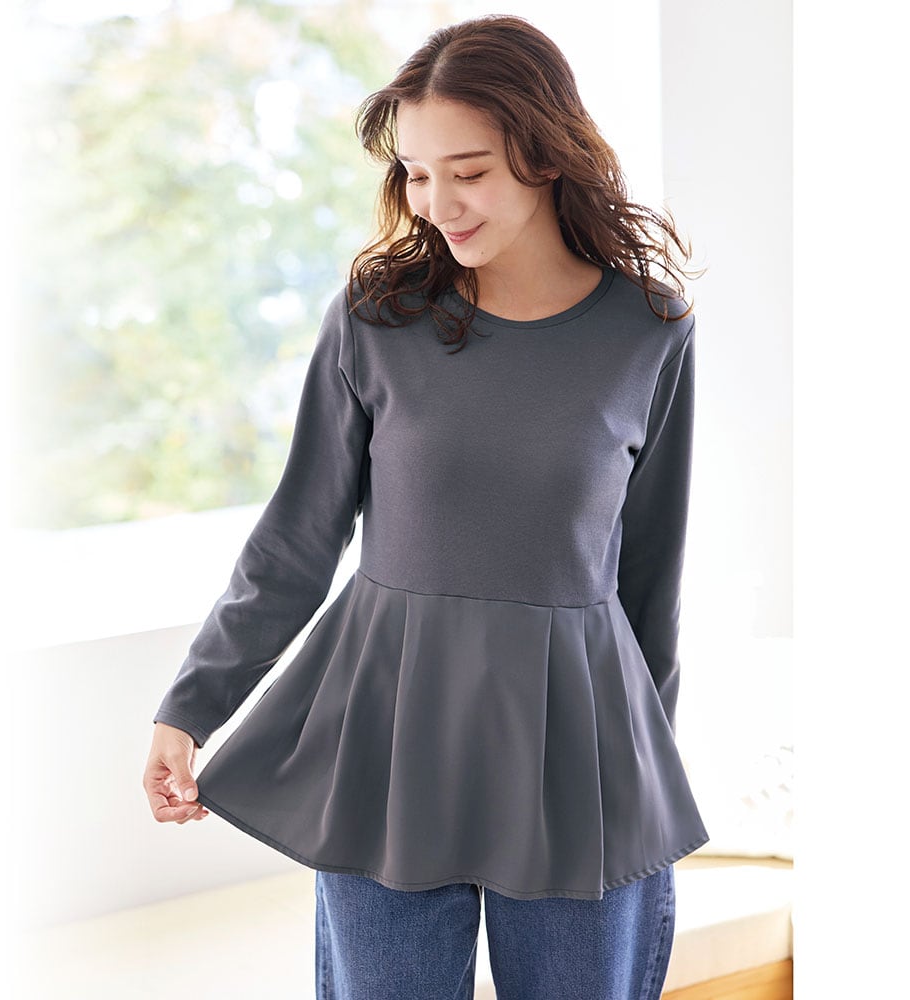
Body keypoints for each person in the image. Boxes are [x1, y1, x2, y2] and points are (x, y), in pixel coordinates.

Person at [143, 14, 709, 1000]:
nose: (436, 202)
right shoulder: (378, 316)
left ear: (545, 154)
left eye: (468, 171)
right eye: (414, 173)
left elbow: (650, 573)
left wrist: (643, 772)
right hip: (387, 736)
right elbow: (298, 535)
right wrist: (194, 703)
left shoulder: (649, 328)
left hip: (577, 751)